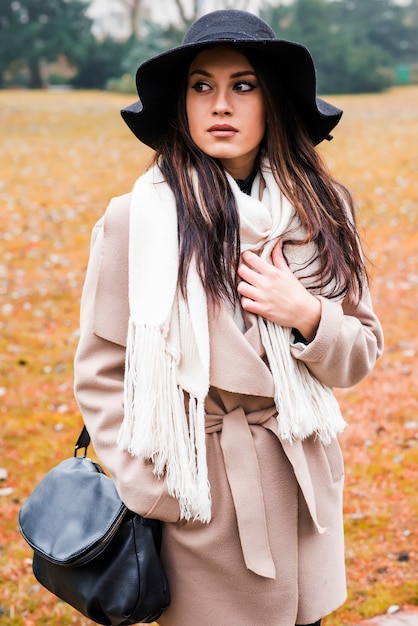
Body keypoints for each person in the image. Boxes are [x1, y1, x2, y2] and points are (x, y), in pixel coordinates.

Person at [74, 9, 383, 626]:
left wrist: (307, 314)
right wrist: (158, 489)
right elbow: (101, 373)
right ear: (182, 106)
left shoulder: (323, 212)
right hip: (198, 503)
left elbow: (362, 349)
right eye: (202, 86)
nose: (222, 104)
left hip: (302, 499)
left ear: (271, 102)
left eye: (243, 85)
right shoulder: (138, 221)